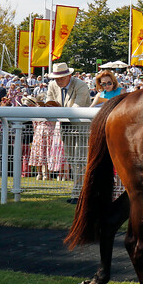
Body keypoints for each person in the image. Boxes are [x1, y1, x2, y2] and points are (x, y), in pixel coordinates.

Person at [45, 62, 91, 204]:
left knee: (80, 160)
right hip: (65, 127)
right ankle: (78, 192)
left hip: (82, 128)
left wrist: (56, 111)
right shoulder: (52, 85)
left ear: (69, 75)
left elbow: (77, 108)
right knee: (71, 160)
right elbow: (49, 102)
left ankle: (79, 194)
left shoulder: (81, 85)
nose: (58, 81)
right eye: (56, 78)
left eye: (61, 78)